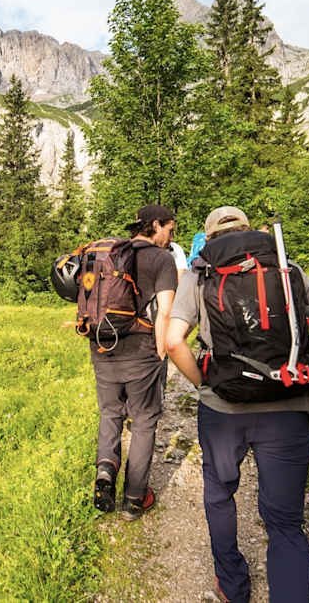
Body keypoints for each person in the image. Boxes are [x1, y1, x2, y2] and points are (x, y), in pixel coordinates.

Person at [164, 206, 309, 602]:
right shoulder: (288, 269)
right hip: (289, 405)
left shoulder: (201, 273)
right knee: (286, 524)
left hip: (224, 409)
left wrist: (203, 386)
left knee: (219, 494)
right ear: (251, 232)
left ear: (209, 239)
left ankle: (232, 585)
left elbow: (174, 341)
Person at [92, 204, 178, 520]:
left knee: (110, 412)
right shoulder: (162, 259)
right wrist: (162, 351)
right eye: (170, 228)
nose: (171, 235)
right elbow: (166, 312)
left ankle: (105, 470)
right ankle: (134, 498)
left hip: (102, 347)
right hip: (141, 352)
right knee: (143, 421)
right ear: (155, 225)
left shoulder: (110, 254)